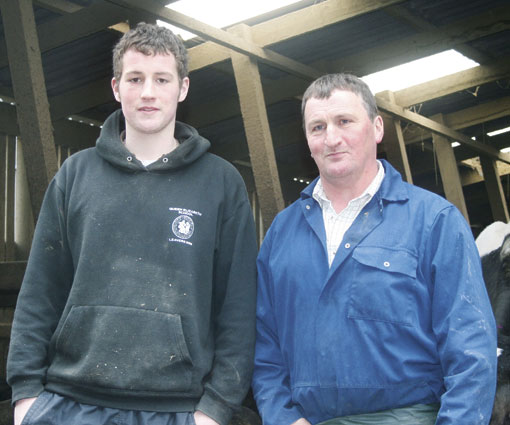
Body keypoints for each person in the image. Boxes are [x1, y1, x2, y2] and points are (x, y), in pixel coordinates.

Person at [7, 22, 257, 425]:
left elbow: (238, 308)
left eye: (162, 79)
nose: (148, 92)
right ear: (116, 87)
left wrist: (214, 410)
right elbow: (40, 290)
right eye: (135, 78)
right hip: (69, 404)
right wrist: (25, 397)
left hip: (176, 410)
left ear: (183, 88)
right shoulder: (75, 175)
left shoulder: (222, 183)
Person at [252, 73, 497, 425]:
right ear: (307, 139)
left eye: (344, 121)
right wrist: (282, 418)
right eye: (318, 127)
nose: (331, 138)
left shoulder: (434, 221)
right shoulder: (282, 233)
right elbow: (265, 345)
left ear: (377, 128)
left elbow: (472, 351)